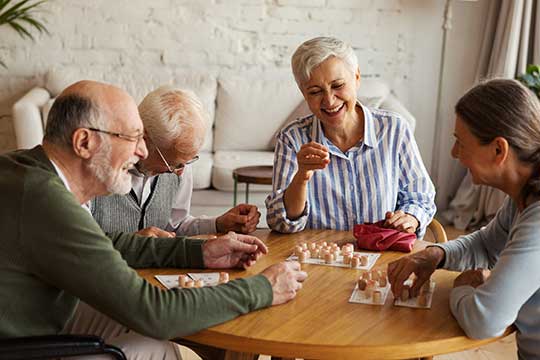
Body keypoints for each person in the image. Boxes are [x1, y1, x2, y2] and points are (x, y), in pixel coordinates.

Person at [0, 80, 307, 359]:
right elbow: (154, 312)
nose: (142, 151)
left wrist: (198, 251)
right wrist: (262, 288)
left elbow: (105, 243)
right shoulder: (46, 200)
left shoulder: (26, 171)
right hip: (23, 345)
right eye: (132, 137)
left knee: (157, 340)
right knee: (153, 345)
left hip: (40, 312)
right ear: (84, 142)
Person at [387, 79, 540, 359]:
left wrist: (463, 287)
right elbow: (485, 245)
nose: (454, 153)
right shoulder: (524, 194)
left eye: (460, 142)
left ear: (498, 150)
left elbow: (485, 321)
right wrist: (435, 254)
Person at [266, 36, 435, 236]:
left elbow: (421, 198)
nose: (329, 101)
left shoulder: (394, 129)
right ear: (304, 93)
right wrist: (301, 177)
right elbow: (280, 223)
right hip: (318, 261)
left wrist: (410, 217)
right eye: (315, 91)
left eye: (337, 86)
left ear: (356, 78)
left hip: (382, 256)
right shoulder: (292, 138)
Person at [91, 86, 260, 238]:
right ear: (144, 137)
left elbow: (175, 225)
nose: (179, 172)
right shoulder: (96, 168)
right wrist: (133, 242)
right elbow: (75, 245)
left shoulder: (180, 164)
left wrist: (218, 224)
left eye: (185, 163)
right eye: (172, 163)